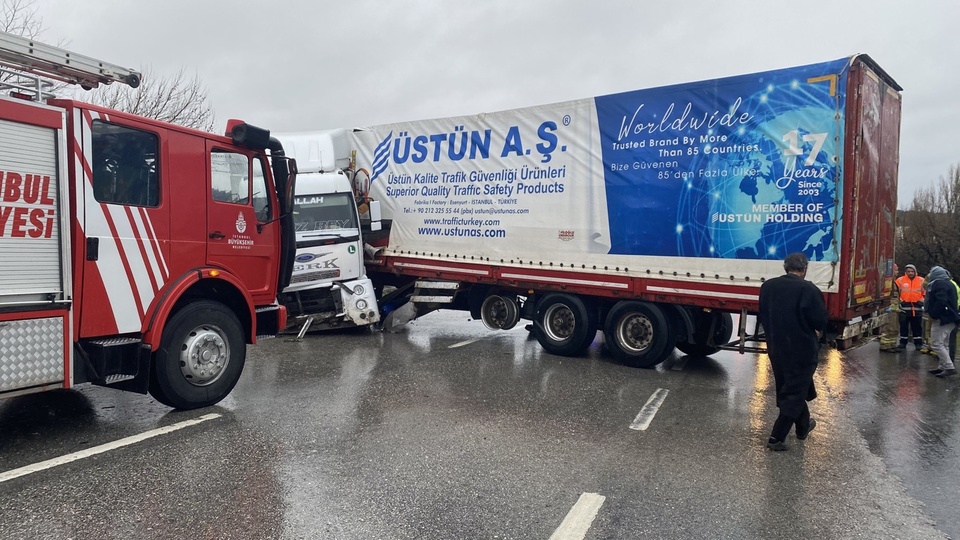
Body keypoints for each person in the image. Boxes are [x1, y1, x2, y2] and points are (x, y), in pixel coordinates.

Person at [759, 252, 829, 451]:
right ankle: (776, 437)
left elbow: (762, 314)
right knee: (794, 391)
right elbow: (820, 321)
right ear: (804, 268)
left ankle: (803, 426)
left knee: (793, 386)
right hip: (801, 349)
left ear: (785, 267)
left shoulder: (768, 287)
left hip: (776, 346)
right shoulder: (808, 289)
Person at [924, 265, 959, 377]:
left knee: (936, 344)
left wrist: (933, 313)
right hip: (951, 317)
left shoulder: (939, 284)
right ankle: (942, 366)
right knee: (944, 344)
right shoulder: (949, 283)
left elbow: (940, 301)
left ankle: (949, 367)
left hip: (942, 318)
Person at [895, 264, 925, 350]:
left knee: (917, 327)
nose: (910, 273)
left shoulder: (921, 280)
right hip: (904, 307)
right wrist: (901, 301)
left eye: (912, 271)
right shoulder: (900, 280)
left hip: (917, 307)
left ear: (915, 271)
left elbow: (926, 293)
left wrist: (921, 301)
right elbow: (896, 293)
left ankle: (918, 344)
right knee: (903, 327)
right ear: (905, 272)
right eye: (908, 271)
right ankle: (903, 343)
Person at [879, 263, 901, 352]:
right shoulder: (887, 282)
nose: (897, 272)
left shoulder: (893, 281)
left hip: (894, 309)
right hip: (889, 309)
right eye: (896, 270)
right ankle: (885, 346)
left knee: (894, 328)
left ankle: (892, 344)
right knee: (889, 328)